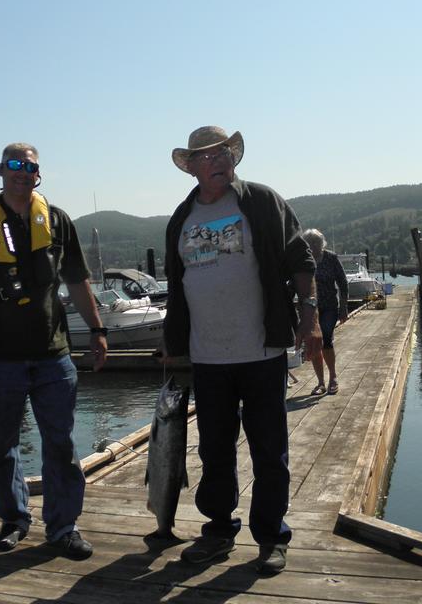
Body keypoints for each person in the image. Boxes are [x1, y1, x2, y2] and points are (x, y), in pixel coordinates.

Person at [0, 142, 108, 560]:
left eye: (30, 167)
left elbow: (79, 280)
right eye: (15, 165)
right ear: (0, 171)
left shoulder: (58, 221)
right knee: (1, 445)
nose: (23, 172)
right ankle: (14, 519)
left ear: (38, 174)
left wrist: (98, 330)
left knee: (60, 444)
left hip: (53, 354)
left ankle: (63, 526)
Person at [162, 125, 323, 576]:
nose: (217, 161)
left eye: (223, 153)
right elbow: (178, 287)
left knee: (269, 451)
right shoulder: (181, 217)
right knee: (214, 451)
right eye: (206, 157)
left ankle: (271, 536)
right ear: (190, 168)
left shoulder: (261, 201)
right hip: (207, 357)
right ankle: (217, 531)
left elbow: (300, 261)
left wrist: (309, 319)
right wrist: (173, 344)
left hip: (261, 352)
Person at [303, 229, 349, 395]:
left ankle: (333, 377)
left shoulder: (331, 258)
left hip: (329, 306)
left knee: (327, 338)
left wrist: (343, 307)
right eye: (309, 243)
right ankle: (320, 382)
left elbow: (343, 284)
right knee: (315, 341)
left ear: (322, 243)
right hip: (311, 308)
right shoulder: (303, 260)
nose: (313, 246)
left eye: (316, 242)